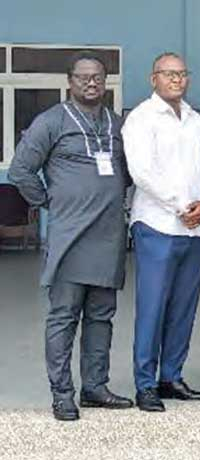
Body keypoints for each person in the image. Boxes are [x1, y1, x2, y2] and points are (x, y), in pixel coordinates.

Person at [8, 52, 134, 421]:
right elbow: (20, 169)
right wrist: (48, 201)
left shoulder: (116, 124)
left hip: (108, 237)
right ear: (70, 81)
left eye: (97, 77)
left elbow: (129, 170)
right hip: (70, 238)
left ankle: (94, 387)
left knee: (101, 316)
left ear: (106, 81)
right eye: (83, 77)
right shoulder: (52, 121)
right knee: (64, 317)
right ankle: (62, 393)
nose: (91, 83)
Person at [123, 52, 200, 412]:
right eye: (169, 74)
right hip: (157, 226)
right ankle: (145, 383)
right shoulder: (141, 118)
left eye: (181, 74)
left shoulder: (195, 120)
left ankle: (171, 377)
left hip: (195, 230)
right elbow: (142, 172)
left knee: (183, 308)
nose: (177, 80)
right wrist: (183, 206)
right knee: (152, 307)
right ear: (154, 79)